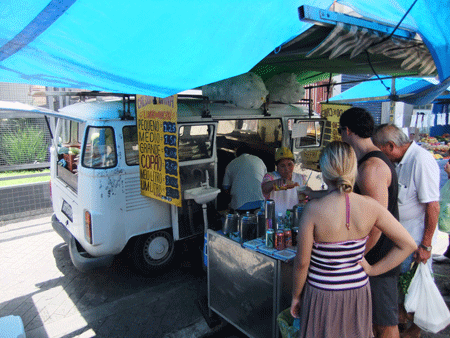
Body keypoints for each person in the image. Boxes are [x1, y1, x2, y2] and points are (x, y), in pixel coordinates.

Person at [290, 141, 416, 338]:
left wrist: (296, 296)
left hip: (322, 293)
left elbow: (302, 263)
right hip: (358, 292)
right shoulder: (370, 206)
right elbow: (408, 244)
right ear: (354, 168)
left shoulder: (313, 210)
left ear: (324, 171)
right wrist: (373, 269)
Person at [372, 124, 440, 338]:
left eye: (380, 151)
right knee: (402, 290)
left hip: (415, 240)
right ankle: (400, 324)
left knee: (416, 288)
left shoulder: (420, 160)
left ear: (390, 146)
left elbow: (432, 205)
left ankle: (415, 330)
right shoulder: (398, 161)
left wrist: (426, 245)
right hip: (399, 239)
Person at [339, 107, 401, 338]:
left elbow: (376, 223)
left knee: (384, 323)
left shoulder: (371, 168)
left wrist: (357, 256)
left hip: (378, 257)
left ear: (347, 131)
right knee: (373, 321)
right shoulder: (368, 162)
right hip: (374, 256)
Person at [261, 146, 307, 215]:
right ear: (277, 166)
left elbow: (303, 200)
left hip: (294, 218)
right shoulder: (271, 176)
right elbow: (264, 188)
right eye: (282, 166)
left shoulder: (301, 178)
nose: (287, 169)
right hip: (274, 219)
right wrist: (276, 182)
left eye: (289, 165)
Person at [222, 145, 267, 213]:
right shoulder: (259, 161)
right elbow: (266, 181)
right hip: (261, 203)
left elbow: (225, 187)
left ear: (237, 153)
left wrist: (232, 199)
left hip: (239, 206)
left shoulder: (231, 164)